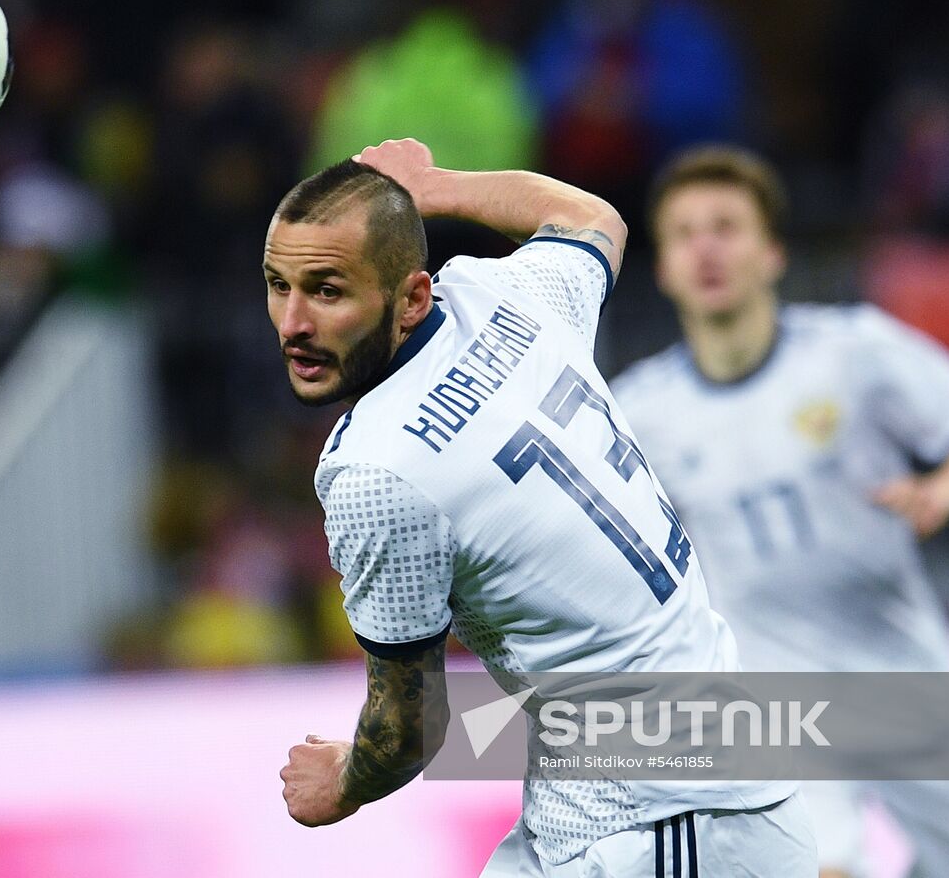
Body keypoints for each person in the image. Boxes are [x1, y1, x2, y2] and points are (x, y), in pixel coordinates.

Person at [272, 138, 815, 876]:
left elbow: (409, 728)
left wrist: (344, 782)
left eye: (328, 290)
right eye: (279, 284)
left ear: (412, 298)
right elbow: (590, 217)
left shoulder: (378, 470)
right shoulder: (504, 297)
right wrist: (437, 184)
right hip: (624, 792)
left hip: (665, 817)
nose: (293, 322)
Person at [610, 144, 949, 878]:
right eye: (685, 233)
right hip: (772, 698)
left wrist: (942, 491)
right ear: (668, 266)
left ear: (771, 252)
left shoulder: (854, 351)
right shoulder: (638, 410)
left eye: (726, 225)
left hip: (903, 675)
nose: (706, 246)